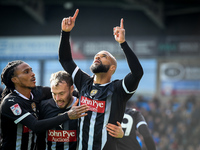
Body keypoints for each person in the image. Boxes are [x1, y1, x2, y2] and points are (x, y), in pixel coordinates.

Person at [58, 9, 144, 150]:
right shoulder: (84, 81)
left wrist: (123, 43)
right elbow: (66, 59)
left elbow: (137, 72)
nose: (97, 57)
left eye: (103, 56)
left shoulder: (118, 89)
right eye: (96, 56)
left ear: (112, 68)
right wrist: (65, 32)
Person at [0, 60, 89, 150]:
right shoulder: (10, 102)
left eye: (31, 70)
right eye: (26, 72)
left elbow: (67, 92)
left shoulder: (38, 93)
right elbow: (35, 126)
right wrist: (68, 115)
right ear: (14, 79)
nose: (32, 74)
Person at [37, 71, 124, 150]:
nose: (57, 98)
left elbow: (101, 123)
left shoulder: (84, 105)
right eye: (54, 93)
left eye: (61, 93)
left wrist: (121, 134)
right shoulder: (44, 106)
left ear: (72, 89)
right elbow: (38, 131)